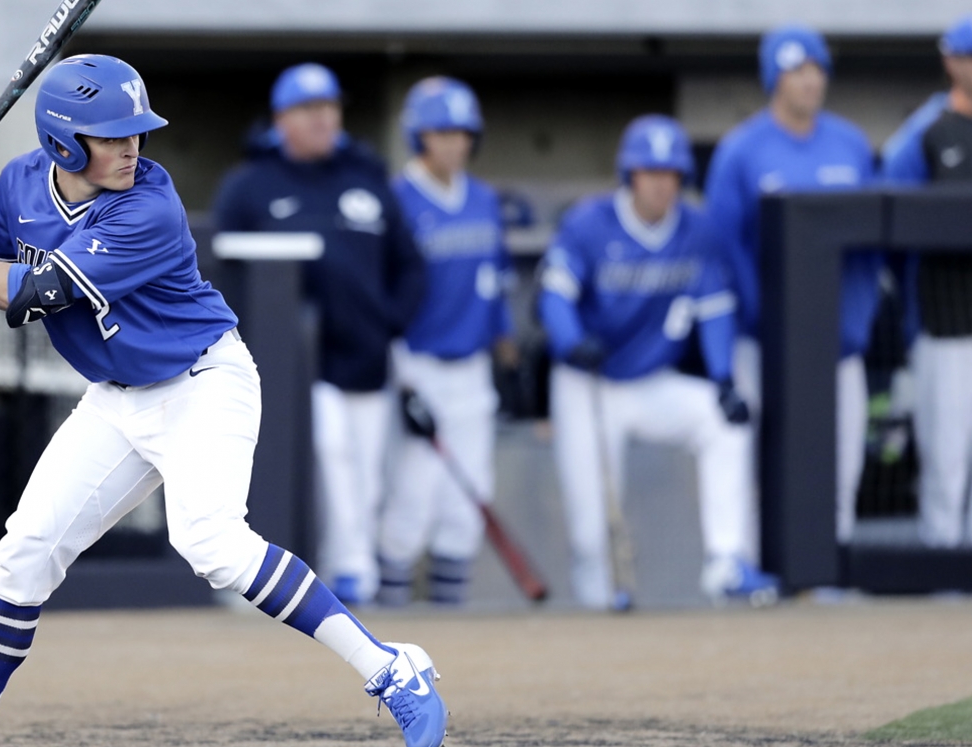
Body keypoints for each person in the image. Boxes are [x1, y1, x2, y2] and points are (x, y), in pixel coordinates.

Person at [0, 55, 448, 747]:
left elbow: (35, 292)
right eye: (111, 137)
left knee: (211, 543)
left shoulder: (148, 205)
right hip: (119, 397)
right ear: (62, 143)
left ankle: (390, 669)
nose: (131, 147)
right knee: (25, 550)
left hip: (203, 381)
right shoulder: (23, 182)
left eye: (135, 133)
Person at [211, 63, 426, 605]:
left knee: (367, 473)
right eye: (308, 109)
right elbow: (219, 270)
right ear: (282, 119)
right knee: (330, 456)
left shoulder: (366, 177)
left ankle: (352, 571)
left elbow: (410, 264)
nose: (323, 118)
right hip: (292, 363)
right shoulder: (249, 185)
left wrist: (389, 321)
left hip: (366, 356)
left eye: (329, 107)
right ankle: (344, 571)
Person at [538, 115, 768, 610]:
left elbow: (715, 309)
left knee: (723, 419)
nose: (662, 183)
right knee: (590, 524)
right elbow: (555, 294)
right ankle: (599, 599)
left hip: (649, 380)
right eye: (650, 171)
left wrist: (724, 376)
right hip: (589, 381)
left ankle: (726, 561)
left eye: (672, 173)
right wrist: (572, 340)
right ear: (630, 175)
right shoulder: (589, 222)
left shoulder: (697, 229)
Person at [704, 23, 880, 542]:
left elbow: (871, 244)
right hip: (764, 343)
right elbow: (724, 247)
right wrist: (761, 315)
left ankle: (831, 581)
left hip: (836, 343)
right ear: (774, 78)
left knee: (842, 466)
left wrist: (857, 319)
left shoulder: (849, 144)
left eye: (817, 69)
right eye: (797, 70)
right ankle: (760, 579)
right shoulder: (741, 150)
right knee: (761, 466)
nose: (810, 81)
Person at [376, 77, 516, 606]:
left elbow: (496, 278)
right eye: (441, 132)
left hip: (472, 366)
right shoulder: (398, 198)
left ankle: (450, 622)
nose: (454, 143)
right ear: (419, 136)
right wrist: (400, 374)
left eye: (462, 133)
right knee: (412, 499)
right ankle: (386, 619)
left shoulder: (482, 199)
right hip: (418, 362)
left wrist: (506, 344)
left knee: (468, 501)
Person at [880, 13, 972, 547]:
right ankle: (941, 580)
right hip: (942, 320)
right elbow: (891, 233)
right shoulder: (923, 133)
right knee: (945, 458)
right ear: (953, 61)